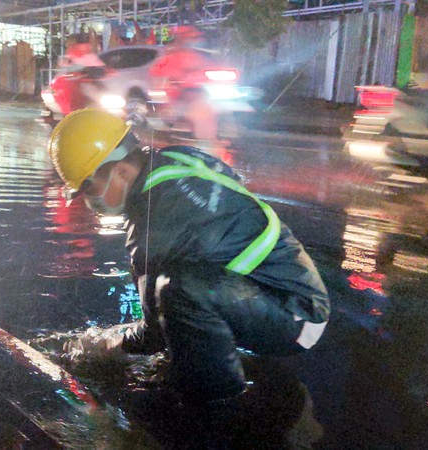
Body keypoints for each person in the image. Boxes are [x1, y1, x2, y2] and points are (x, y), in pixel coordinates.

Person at [49, 108, 330, 411]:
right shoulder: (177, 158)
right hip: (291, 290)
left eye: (89, 188)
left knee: (177, 291)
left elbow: (153, 333)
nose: (90, 202)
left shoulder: (152, 222)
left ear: (120, 171)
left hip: (295, 318)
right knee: (184, 295)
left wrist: (107, 345)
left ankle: (215, 402)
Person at [148, 25, 219, 142]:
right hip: (174, 100)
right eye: (184, 38)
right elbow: (156, 74)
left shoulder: (200, 58)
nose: (187, 42)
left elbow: (210, 74)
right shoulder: (168, 59)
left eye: (191, 39)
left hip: (196, 98)